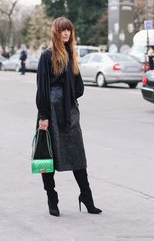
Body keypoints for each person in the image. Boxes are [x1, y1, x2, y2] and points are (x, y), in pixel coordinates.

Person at [36, 16, 102, 217]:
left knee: (77, 154)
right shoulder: (46, 56)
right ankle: (52, 198)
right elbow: (42, 89)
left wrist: (71, 96)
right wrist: (44, 116)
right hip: (51, 112)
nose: (66, 33)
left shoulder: (72, 53)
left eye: (69, 30)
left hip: (69, 112)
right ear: (55, 32)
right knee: (48, 156)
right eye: (62, 30)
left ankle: (86, 196)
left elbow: (79, 84)